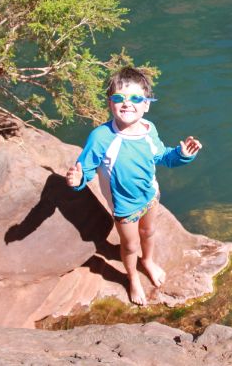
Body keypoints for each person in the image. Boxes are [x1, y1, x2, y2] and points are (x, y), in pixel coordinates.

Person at [65, 66, 202, 305]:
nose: (127, 104)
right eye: (119, 98)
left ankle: (147, 261)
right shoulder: (101, 137)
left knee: (149, 232)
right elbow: (86, 168)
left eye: (136, 98)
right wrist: (78, 181)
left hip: (150, 195)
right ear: (110, 103)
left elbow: (163, 158)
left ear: (147, 104)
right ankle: (132, 278)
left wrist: (181, 154)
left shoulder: (149, 130)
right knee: (130, 245)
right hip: (124, 207)